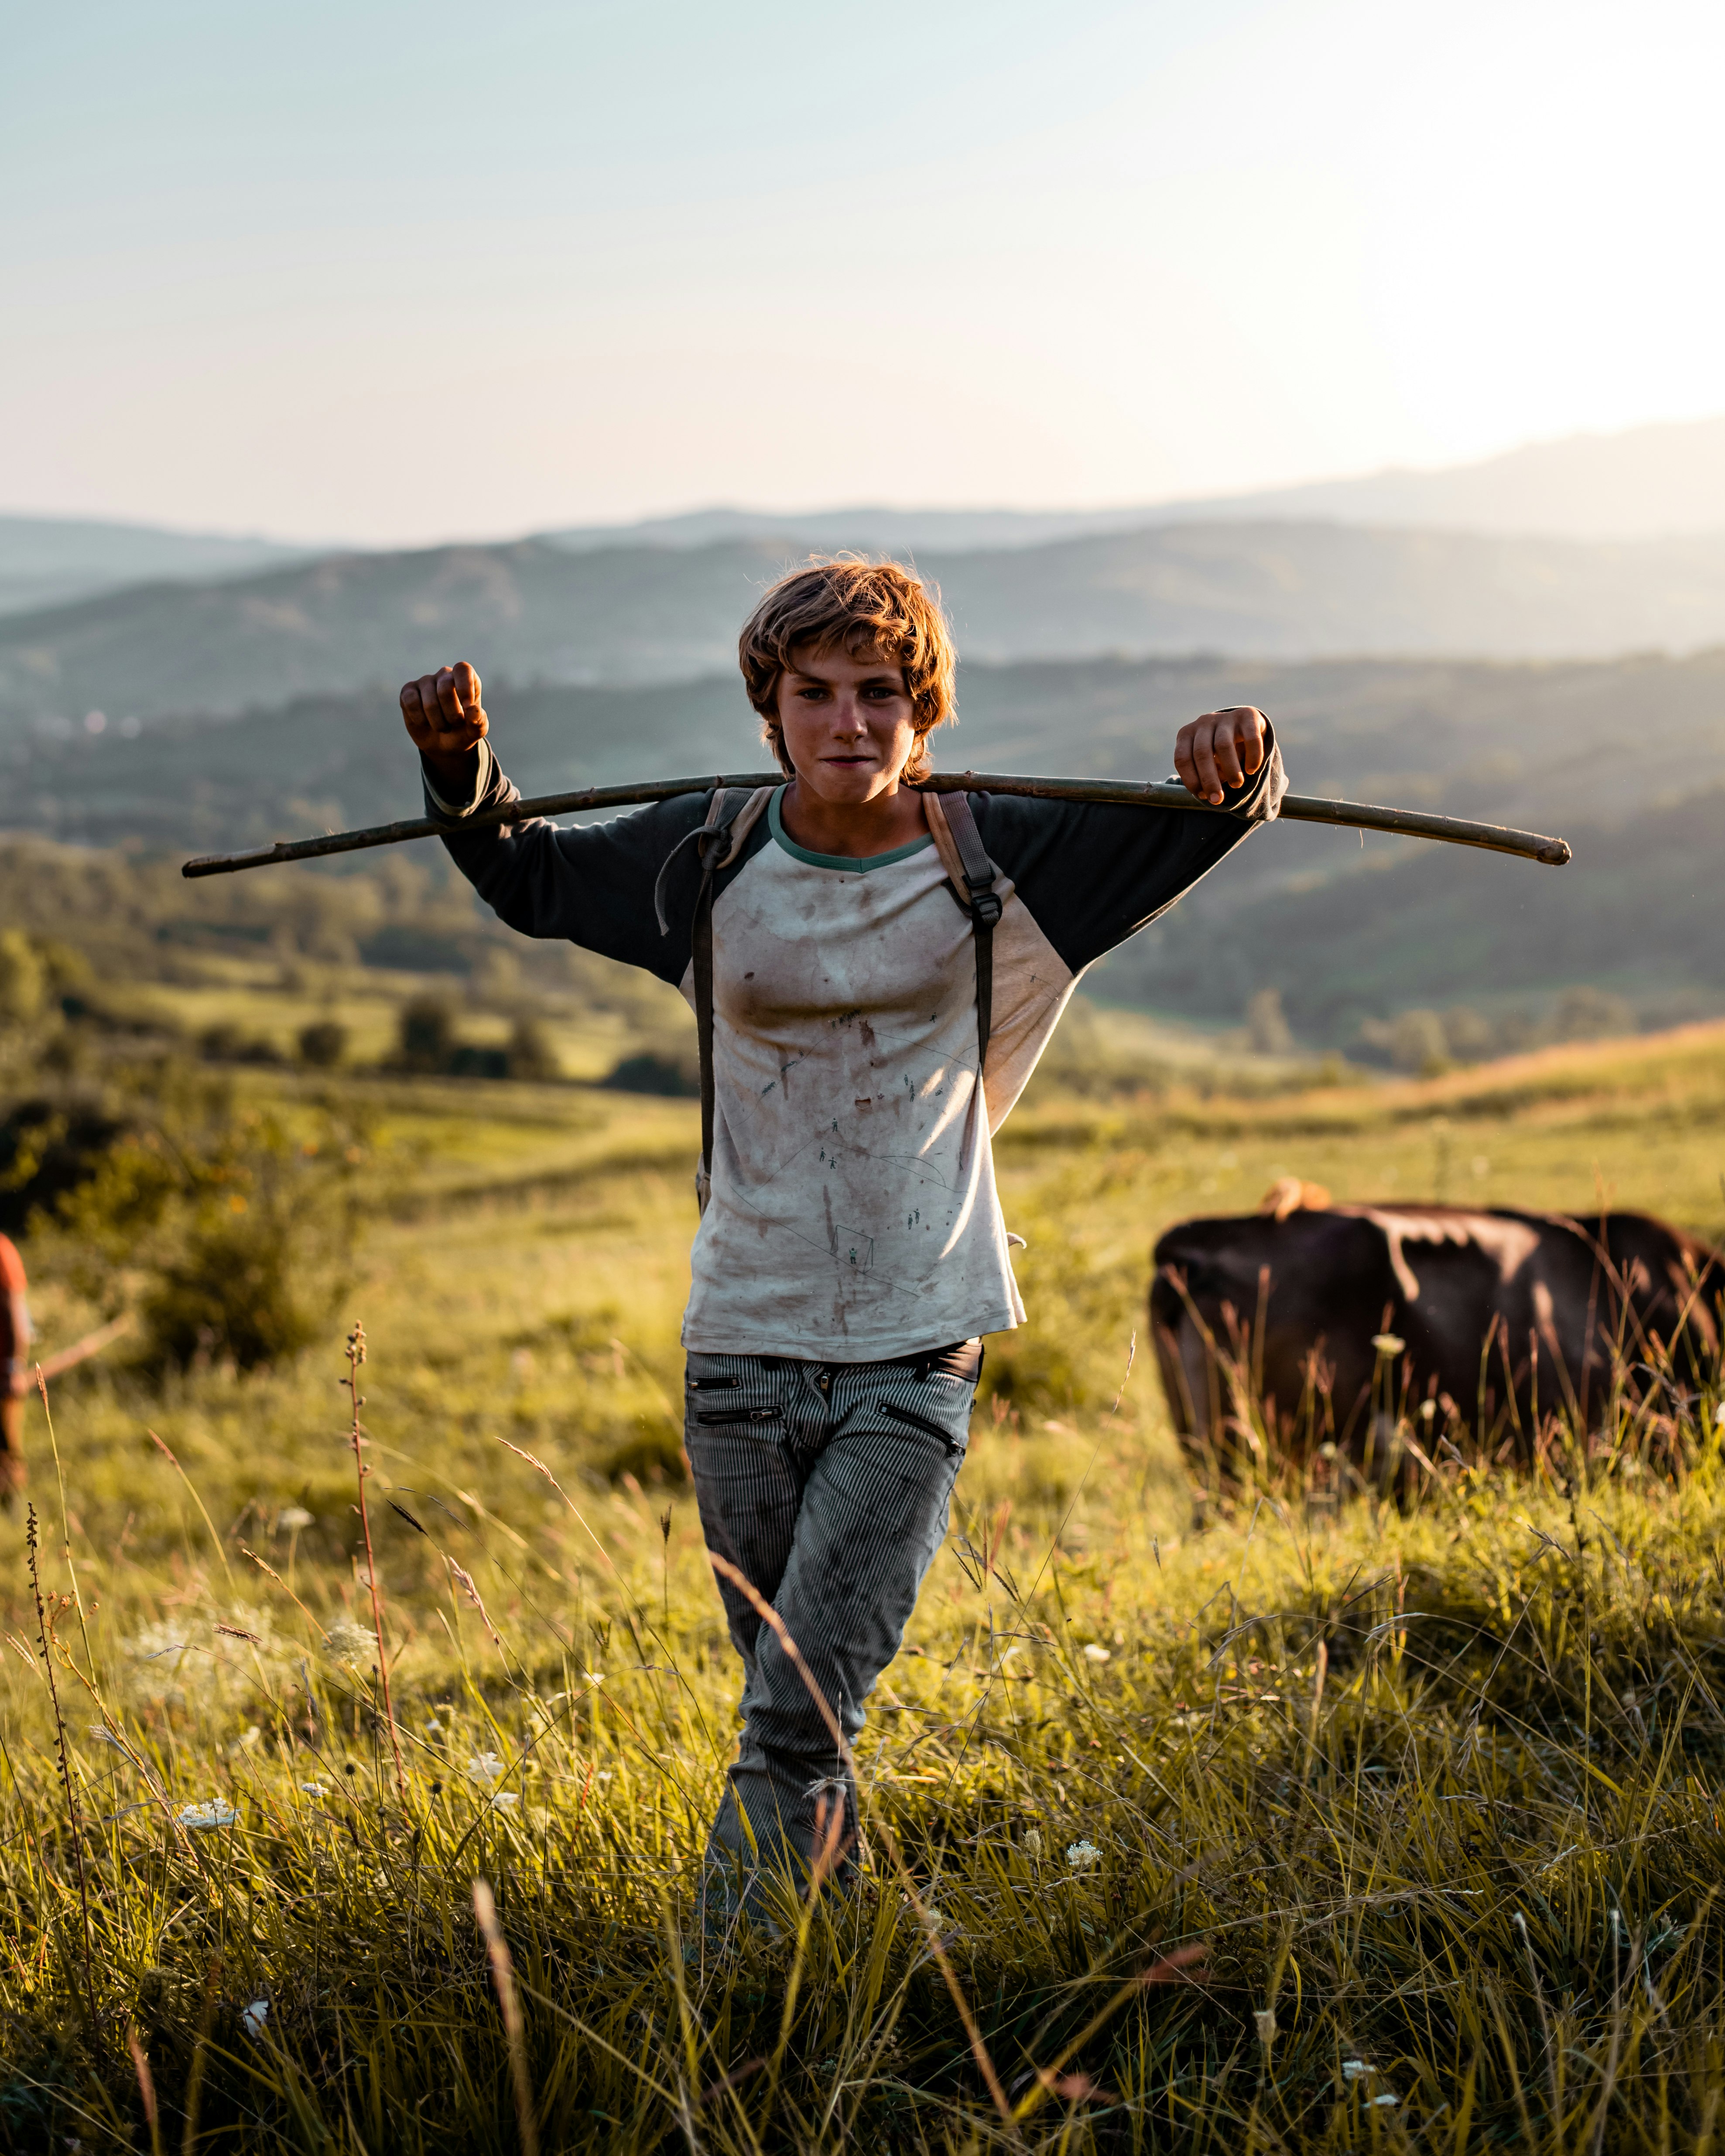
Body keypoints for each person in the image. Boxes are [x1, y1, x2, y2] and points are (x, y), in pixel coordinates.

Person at [400, 558, 1283, 1923]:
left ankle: (722, 2033)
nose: (848, 723)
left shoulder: (996, 851)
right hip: (737, 1350)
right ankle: (851, 1979)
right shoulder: (704, 852)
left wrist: (1241, 760)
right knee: (792, 1714)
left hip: (912, 1349)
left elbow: (1208, 820)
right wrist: (462, 770)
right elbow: (529, 879)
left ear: (923, 711)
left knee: (793, 1725)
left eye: (880, 694)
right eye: (814, 694)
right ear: (772, 710)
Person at [0, 1231, 32, 1503]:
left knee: (7, 1444)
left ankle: (14, 1505)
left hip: (2, 1371)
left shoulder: (2, 1251)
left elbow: (14, 1310)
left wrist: (12, 1367)